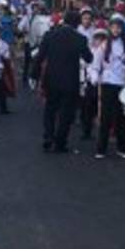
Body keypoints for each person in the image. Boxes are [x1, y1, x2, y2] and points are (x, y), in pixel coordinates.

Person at [36, 10, 92, 153]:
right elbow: (88, 58)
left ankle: (48, 136)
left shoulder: (50, 36)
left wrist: (33, 75)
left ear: (64, 21)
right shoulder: (80, 39)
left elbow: (40, 57)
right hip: (70, 81)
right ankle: (60, 142)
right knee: (66, 113)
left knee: (50, 109)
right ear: (77, 23)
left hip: (52, 79)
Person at [92, 14, 125, 160]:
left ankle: (122, 147)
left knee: (122, 117)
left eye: (119, 27)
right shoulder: (104, 45)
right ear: (109, 28)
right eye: (113, 27)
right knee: (105, 117)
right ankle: (101, 148)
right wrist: (94, 77)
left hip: (122, 84)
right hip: (107, 84)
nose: (116, 30)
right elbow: (96, 65)